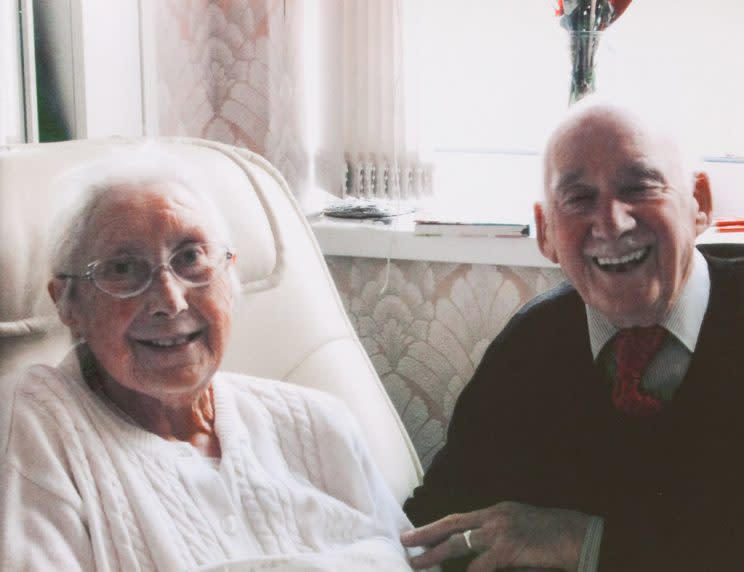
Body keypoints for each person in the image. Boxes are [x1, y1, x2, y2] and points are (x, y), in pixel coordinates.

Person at [0, 150, 417, 571]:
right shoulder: (37, 418)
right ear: (69, 304)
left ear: (230, 277)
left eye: (190, 257)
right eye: (124, 268)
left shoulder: (320, 423)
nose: (170, 299)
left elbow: (420, 560)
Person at [401, 100, 744, 571]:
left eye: (640, 186)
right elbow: (440, 519)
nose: (612, 222)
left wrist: (586, 542)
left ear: (699, 204)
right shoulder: (529, 346)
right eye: (580, 199)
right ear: (546, 232)